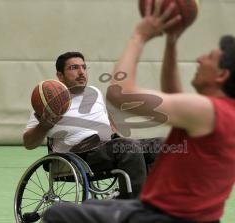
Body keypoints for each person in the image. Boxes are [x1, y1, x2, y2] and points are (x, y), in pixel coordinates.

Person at [43, 1, 235, 223]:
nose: (200, 59)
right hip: (193, 215)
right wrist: (171, 42)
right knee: (155, 147)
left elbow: (119, 94)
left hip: (160, 216)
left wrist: (140, 35)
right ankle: (133, 196)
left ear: (222, 75)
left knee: (57, 213)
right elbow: (173, 94)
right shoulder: (219, 113)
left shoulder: (206, 110)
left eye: (209, 57)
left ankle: (134, 198)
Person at [23, 51, 150, 198]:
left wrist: (119, 136)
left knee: (161, 146)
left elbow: (107, 118)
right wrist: (44, 125)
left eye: (84, 67)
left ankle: (143, 200)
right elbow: (29, 143)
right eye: (74, 68)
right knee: (130, 148)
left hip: (110, 147)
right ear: (60, 75)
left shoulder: (94, 92)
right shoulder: (49, 105)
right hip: (80, 155)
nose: (81, 72)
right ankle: (135, 209)